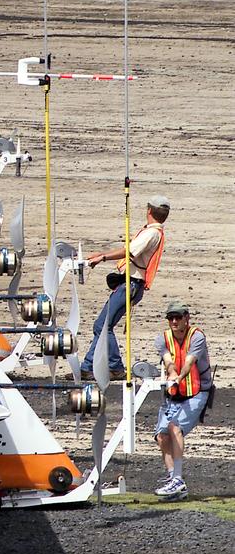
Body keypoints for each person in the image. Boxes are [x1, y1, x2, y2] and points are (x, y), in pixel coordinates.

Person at [80, 195, 169, 379]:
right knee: (103, 326)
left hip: (131, 284)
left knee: (102, 326)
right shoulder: (154, 232)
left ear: (149, 210)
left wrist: (102, 256)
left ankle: (115, 367)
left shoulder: (151, 233)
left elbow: (129, 251)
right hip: (130, 284)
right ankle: (88, 367)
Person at [152, 301, 212, 501]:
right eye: (171, 318)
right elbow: (169, 361)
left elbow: (189, 362)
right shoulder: (162, 339)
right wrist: (172, 374)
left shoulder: (197, 337)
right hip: (174, 393)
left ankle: (177, 479)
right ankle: (175, 482)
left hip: (197, 391)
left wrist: (179, 376)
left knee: (174, 428)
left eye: (178, 317)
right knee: (162, 436)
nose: (174, 321)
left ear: (187, 318)